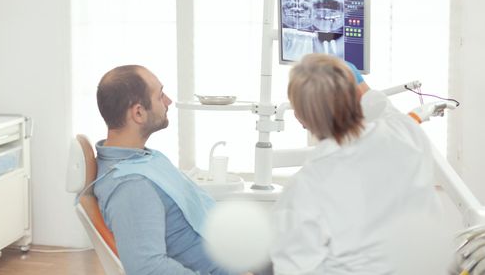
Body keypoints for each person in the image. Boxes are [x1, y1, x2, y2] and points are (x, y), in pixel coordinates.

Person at [269, 54, 442, 275]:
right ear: (354, 98)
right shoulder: (407, 133)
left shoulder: (304, 189)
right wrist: (357, 82)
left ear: (301, 118)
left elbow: (295, 269)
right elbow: (382, 108)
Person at [93, 65, 236, 275]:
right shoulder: (131, 186)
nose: (168, 101)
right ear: (139, 113)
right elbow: (148, 268)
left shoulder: (141, 158)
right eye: (160, 96)